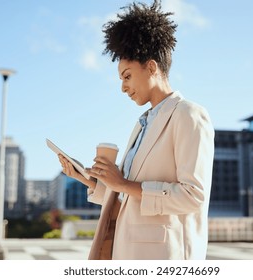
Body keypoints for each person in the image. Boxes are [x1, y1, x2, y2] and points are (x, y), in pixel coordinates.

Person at [59, 0, 214, 260]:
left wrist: (122, 183)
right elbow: (129, 197)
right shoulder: (143, 124)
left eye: (127, 76)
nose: (123, 87)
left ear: (151, 67)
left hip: (167, 257)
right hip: (130, 253)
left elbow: (192, 196)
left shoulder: (188, 114)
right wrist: (89, 179)